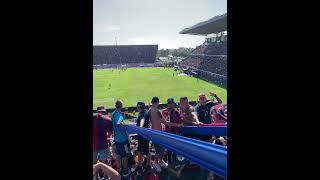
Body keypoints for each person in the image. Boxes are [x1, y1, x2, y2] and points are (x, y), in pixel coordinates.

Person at [146, 96, 182, 172]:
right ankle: (156, 163)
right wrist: (177, 125)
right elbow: (166, 122)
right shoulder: (157, 111)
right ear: (158, 102)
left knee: (160, 149)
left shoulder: (149, 110)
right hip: (158, 133)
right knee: (159, 150)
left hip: (154, 132)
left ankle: (160, 161)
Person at [112, 100, 131, 176]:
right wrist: (125, 127)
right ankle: (125, 171)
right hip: (123, 140)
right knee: (125, 156)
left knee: (119, 155)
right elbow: (118, 124)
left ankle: (119, 170)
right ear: (121, 106)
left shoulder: (113, 114)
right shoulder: (119, 115)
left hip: (117, 139)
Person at [162, 98, 182, 164]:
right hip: (168, 133)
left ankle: (173, 161)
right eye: (169, 103)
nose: (170, 104)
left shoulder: (176, 112)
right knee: (168, 148)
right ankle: (169, 162)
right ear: (167, 104)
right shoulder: (164, 112)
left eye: (171, 103)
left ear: (173, 103)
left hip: (175, 133)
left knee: (174, 148)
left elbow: (180, 122)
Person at [135, 102, 150, 166]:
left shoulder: (142, 114)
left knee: (140, 151)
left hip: (142, 135)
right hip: (145, 135)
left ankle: (140, 164)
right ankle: (148, 164)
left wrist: (140, 127)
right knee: (146, 151)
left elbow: (142, 119)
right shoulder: (146, 112)